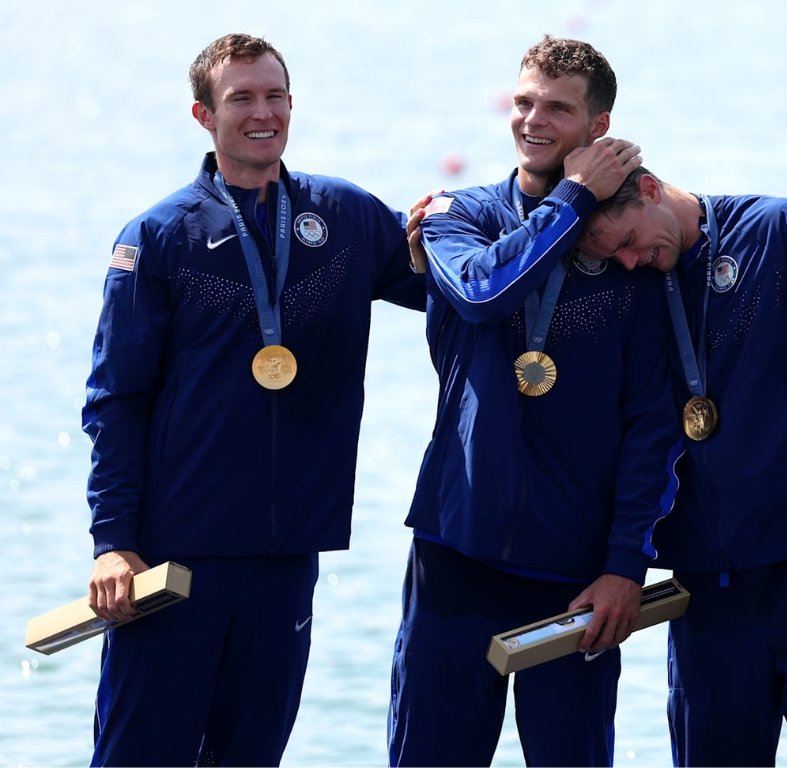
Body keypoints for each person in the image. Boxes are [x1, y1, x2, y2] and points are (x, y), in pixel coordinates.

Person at [82, 33, 426, 766]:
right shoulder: (159, 237)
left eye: (274, 96)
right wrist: (113, 542)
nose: (261, 112)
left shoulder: (345, 218)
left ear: (292, 105)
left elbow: (460, 293)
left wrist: (527, 215)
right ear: (204, 114)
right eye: (241, 98)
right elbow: (115, 400)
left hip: (287, 555)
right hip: (175, 560)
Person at [388, 37, 679, 766]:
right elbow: (484, 293)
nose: (533, 120)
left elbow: (652, 424)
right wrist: (572, 197)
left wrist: (624, 563)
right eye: (523, 102)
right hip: (457, 553)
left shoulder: (630, 255)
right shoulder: (459, 216)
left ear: (598, 128)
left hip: (575, 575)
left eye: (557, 107)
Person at [576, 166, 787, 766]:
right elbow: (643, 440)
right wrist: (625, 559)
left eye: (630, 241)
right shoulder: (633, 284)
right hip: (708, 593)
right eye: (613, 257)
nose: (630, 262)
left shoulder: (779, 229)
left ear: (652, 188)